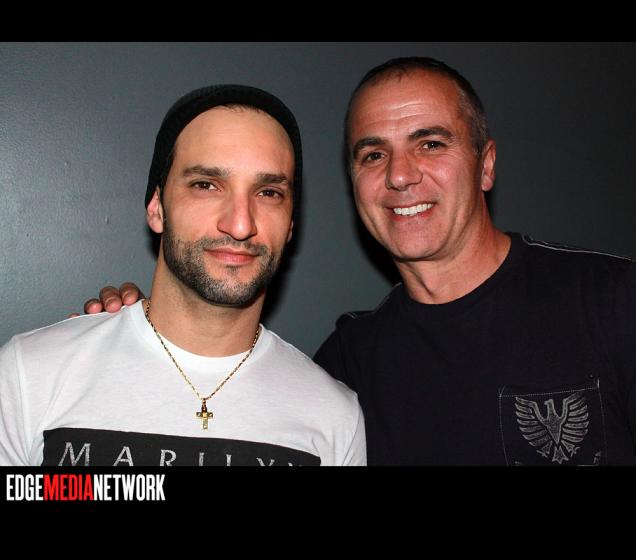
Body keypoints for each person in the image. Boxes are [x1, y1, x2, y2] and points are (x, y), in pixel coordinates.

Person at [81, 57, 636, 466]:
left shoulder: (612, 302)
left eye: (430, 143)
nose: (400, 174)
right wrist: (139, 329)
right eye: (373, 154)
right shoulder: (347, 365)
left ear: (485, 164)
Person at [0, 85, 366, 466]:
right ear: (157, 207)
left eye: (269, 192)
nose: (240, 224)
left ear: (291, 224)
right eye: (206, 185)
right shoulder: (28, 376)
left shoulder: (335, 417)